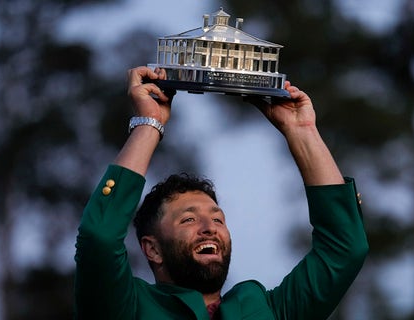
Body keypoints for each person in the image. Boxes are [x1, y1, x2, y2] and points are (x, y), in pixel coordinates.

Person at [74, 66, 369, 319]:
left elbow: (344, 248)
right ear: (152, 249)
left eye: (218, 220)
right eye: (188, 220)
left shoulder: (267, 310)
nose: (209, 229)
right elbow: (99, 237)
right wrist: (149, 124)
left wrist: (301, 129)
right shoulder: (126, 306)